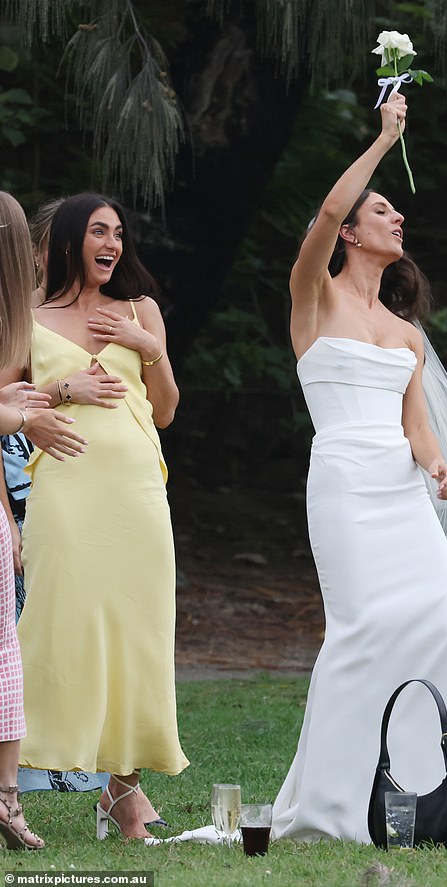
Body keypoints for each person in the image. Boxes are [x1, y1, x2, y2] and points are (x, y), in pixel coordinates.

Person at [271, 94, 447, 842]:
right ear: (348, 233)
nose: (395, 219)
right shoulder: (313, 299)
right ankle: (335, 804)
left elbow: (419, 431)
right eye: (380, 211)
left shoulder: (405, 333)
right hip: (345, 483)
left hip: (403, 494)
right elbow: (321, 214)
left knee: (442, 624)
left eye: (396, 214)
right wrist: (384, 139)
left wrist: (440, 470)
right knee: (363, 629)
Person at [11, 192, 188, 840]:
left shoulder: (140, 310)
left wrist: (148, 346)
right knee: (56, 634)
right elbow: (5, 402)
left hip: (138, 496)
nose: (112, 243)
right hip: (65, 495)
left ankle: (124, 791)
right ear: (64, 241)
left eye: (118, 233)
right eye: (97, 232)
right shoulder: (25, 316)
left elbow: (165, 409)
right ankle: (9, 787)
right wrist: (62, 390)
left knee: (138, 638)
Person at [0, 197, 112, 797]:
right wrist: (54, 396)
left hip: (53, 466)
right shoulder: (19, 316)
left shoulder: (88, 313)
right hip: (16, 456)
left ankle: (68, 763)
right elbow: (15, 392)